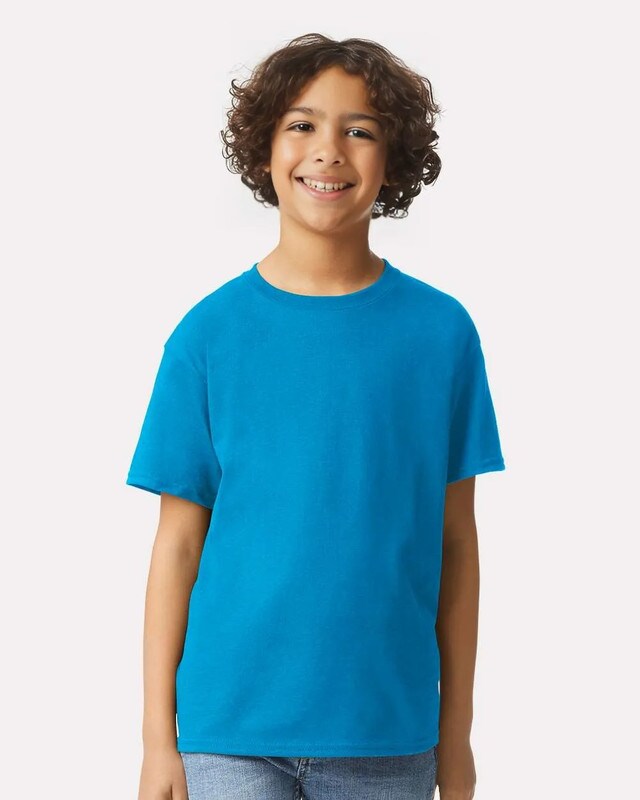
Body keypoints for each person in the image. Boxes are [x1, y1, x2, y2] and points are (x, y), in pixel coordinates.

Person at [126, 33, 506, 800]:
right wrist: (157, 741)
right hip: (227, 737)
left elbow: (457, 545)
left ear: (392, 160)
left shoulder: (441, 335)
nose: (328, 150)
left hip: (386, 735)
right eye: (302, 125)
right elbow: (178, 547)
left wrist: (457, 735)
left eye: (359, 130)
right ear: (265, 150)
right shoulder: (207, 337)